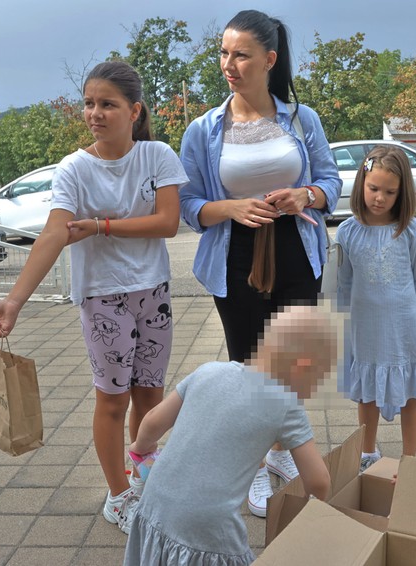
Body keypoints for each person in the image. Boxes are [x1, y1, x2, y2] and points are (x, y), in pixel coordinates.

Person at [0, 61, 188, 535]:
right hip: (103, 298)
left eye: (107, 104)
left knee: (149, 398)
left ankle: (145, 478)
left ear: (134, 111)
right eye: (89, 103)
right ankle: (119, 497)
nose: (95, 113)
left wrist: (100, 226)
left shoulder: (156, 156)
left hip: (152, 291)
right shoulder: (74, 168)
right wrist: (14, 301)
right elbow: (55, 232)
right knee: (113, 402)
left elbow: (168, 222)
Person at [179, 9, 341, 517]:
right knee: (248, 367)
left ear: (269, 59)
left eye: (240, 54)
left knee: (293, 365)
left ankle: (279, 454)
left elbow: (333, 183)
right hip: (236, 257)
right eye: (224, 53)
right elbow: (188, 206)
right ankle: (251, 465)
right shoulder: (204, 130)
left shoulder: (301, 119)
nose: (229, 63)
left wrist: (307, 195)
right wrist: (229, 207)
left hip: (296, 249)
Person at [123, 305, 336, 566]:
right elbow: (319, 481)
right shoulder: (286, 405)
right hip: (209, 527)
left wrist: (141, 447)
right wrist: (310, 507)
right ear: (305, 367)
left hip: (154, 505)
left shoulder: (207, 371)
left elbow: (153, 421)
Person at [336, 145, 416, 472]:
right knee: (367, 391)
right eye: (373, 188)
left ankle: (410, 460)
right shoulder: (347, 231)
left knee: (411, 391)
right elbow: (343, 284)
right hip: (365, 326)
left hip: (405, 326)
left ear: (402, 193)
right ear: (360, 184)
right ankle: (368, 452)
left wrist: (414, 323)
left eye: (390, 192)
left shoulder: (411, 230)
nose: (379, 197)